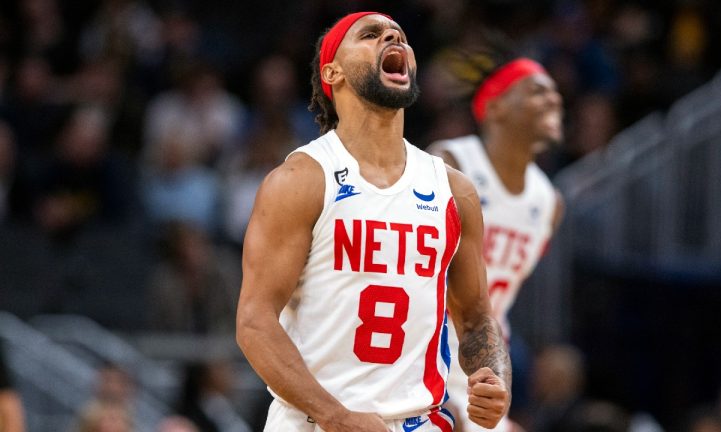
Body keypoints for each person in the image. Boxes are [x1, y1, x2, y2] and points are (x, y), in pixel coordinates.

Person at [236, 11, 511, 432]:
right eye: (370, 34)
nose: (392, 38)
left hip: (420, 421)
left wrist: (494, 378)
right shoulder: (300, 181)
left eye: (399, 35)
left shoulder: (454, 191)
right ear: (333, 71)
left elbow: (476, 319)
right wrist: (335, 416)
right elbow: (255, 323)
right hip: (315, 423)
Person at [428, 56, 566, 431]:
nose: (554, 100)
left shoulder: (549, 202)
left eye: (555, 93)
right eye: (537, 91)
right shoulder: (451, 162)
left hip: (481, 367)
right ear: (495, 107)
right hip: (421, 354)